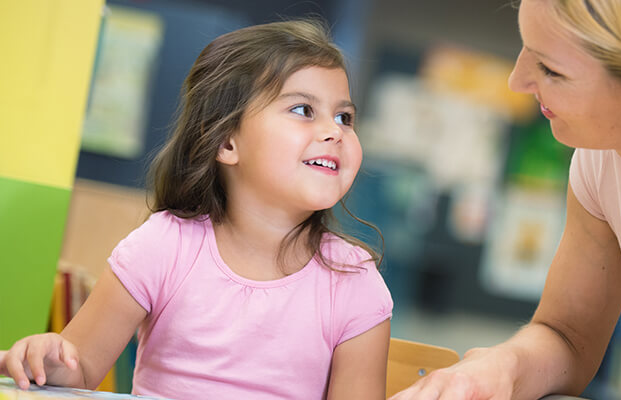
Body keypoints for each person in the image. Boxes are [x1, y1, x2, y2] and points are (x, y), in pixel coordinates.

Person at [0, 19, 393, 400]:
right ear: (226, 142)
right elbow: (79, 370)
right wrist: (48, 362)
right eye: (303, 110)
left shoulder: (353, 282)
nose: (335, 131)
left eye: (345, 117)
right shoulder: (163, 245)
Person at [391, 0, 621, 399]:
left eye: (550, 69)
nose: (517, 80)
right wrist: (499, 368)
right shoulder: (604, 158)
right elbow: (568, 336)